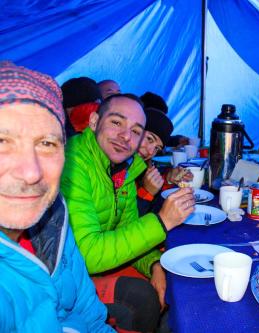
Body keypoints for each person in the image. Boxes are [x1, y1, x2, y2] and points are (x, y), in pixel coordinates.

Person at [61, 93, 195, 332]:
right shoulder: (73, 164)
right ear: (93, 122)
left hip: (91, 265)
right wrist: (162, 221)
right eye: (116, 122)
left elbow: (128, 229)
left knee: (172, 276)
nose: (125, 136)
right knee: (142, 297)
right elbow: (88, 255)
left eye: (135, 131)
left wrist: (155, 263)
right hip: (64, 279)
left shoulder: (124, 170)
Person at [0, 61, 112, 332]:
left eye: (47, 143)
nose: (31, 172)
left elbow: (93, 318)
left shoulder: (54, 220)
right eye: (2, 142)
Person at [137, 107, 193, 216]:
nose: (150, 151)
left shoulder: (140, 167)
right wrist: (146, 193)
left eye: (157, 148)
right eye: (149, 139)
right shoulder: (116, 167)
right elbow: (127, 222)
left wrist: (168, 179)